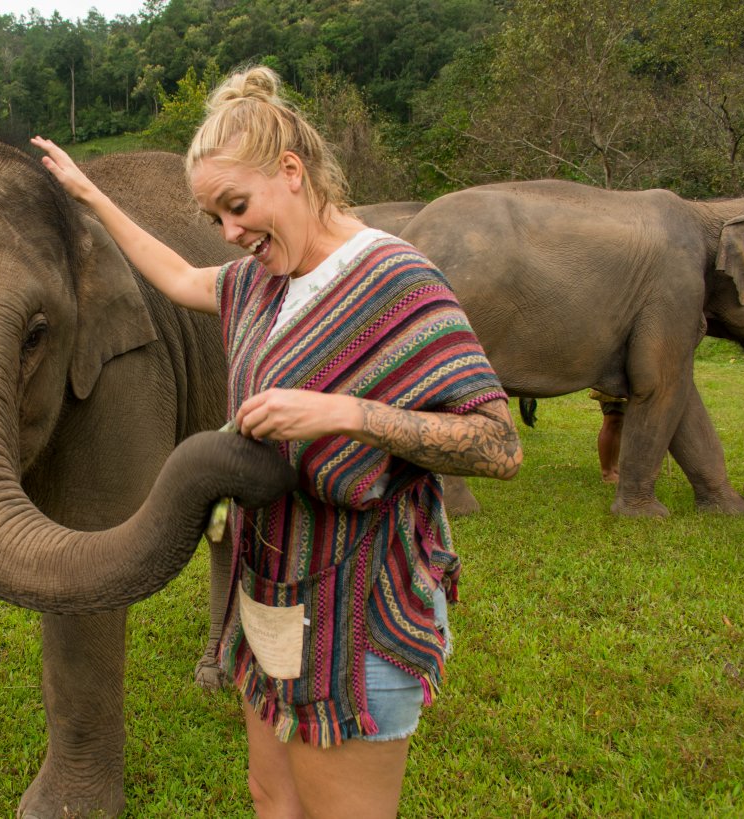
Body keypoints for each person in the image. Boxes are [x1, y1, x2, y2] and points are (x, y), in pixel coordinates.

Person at [32, 65, 521, 819]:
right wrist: (93, 199)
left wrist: (347, 413)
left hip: (360, 608)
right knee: (272, 795)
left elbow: (496, 446)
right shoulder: (259, 282)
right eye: (217, 219)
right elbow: (177, 276)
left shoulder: (396, 278)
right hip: (271, 596)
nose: (231, 233)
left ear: (291, 172)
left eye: (237, 206)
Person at [590, 390, 626, 484]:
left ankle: (614, 469)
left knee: (619, 421)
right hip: (613, 381)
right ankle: (608, 472)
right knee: (614, 417)